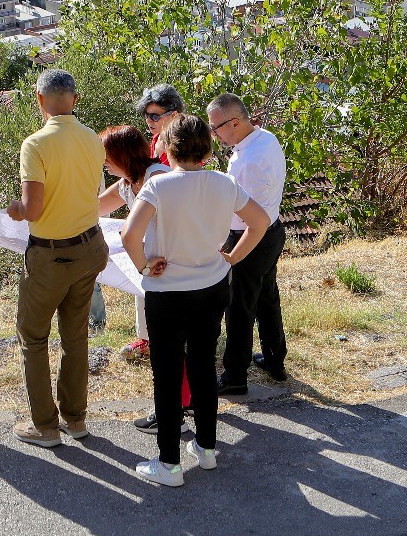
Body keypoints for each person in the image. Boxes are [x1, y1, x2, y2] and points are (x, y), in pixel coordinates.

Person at [123, 115, 271, 486]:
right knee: (204, 366)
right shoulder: (225, 183)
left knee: (168, 376)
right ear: (207, 148)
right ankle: (206, 449)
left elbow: (129, 235)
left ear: (168, 149)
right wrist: (233, 257)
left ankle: (169, 464)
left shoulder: (158, 186)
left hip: (167, 293)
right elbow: (260, 221)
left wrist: (144, 265)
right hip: (211, 287)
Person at [7, 69, 109, 447]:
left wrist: (16, 209)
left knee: (33, 337)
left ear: (39, 100)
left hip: (52, 255)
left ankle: (45, 426)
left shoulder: (35, 144)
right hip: (89, 247)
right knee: (75, 336)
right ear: (75, 100)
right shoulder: (92, 140)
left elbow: (33, 209)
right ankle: (76, 419)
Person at [207, 93, 290, 393]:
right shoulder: (263, 138)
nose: (212, 133)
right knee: (267, 296)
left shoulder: (250, 162)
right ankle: (274, 358)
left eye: (215, 127)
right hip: (272, 231)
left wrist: (233, 252)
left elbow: (250, 217)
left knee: (239, 306)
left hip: (252, 236)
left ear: (235, 122)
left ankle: (235, 376)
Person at [97, 125, 170, 362]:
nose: (104, 162)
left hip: (173, 254)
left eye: (106, 155)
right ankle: (148, 340)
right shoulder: (127, 183)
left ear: (122, 153)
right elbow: (95, 208)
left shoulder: (157, 177)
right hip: (150, 256)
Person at [135, 84, 184, 164]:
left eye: (155, 116)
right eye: (146, 115)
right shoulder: (157, 138)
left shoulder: (186, 144)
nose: (148, 121)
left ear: (174, 115)